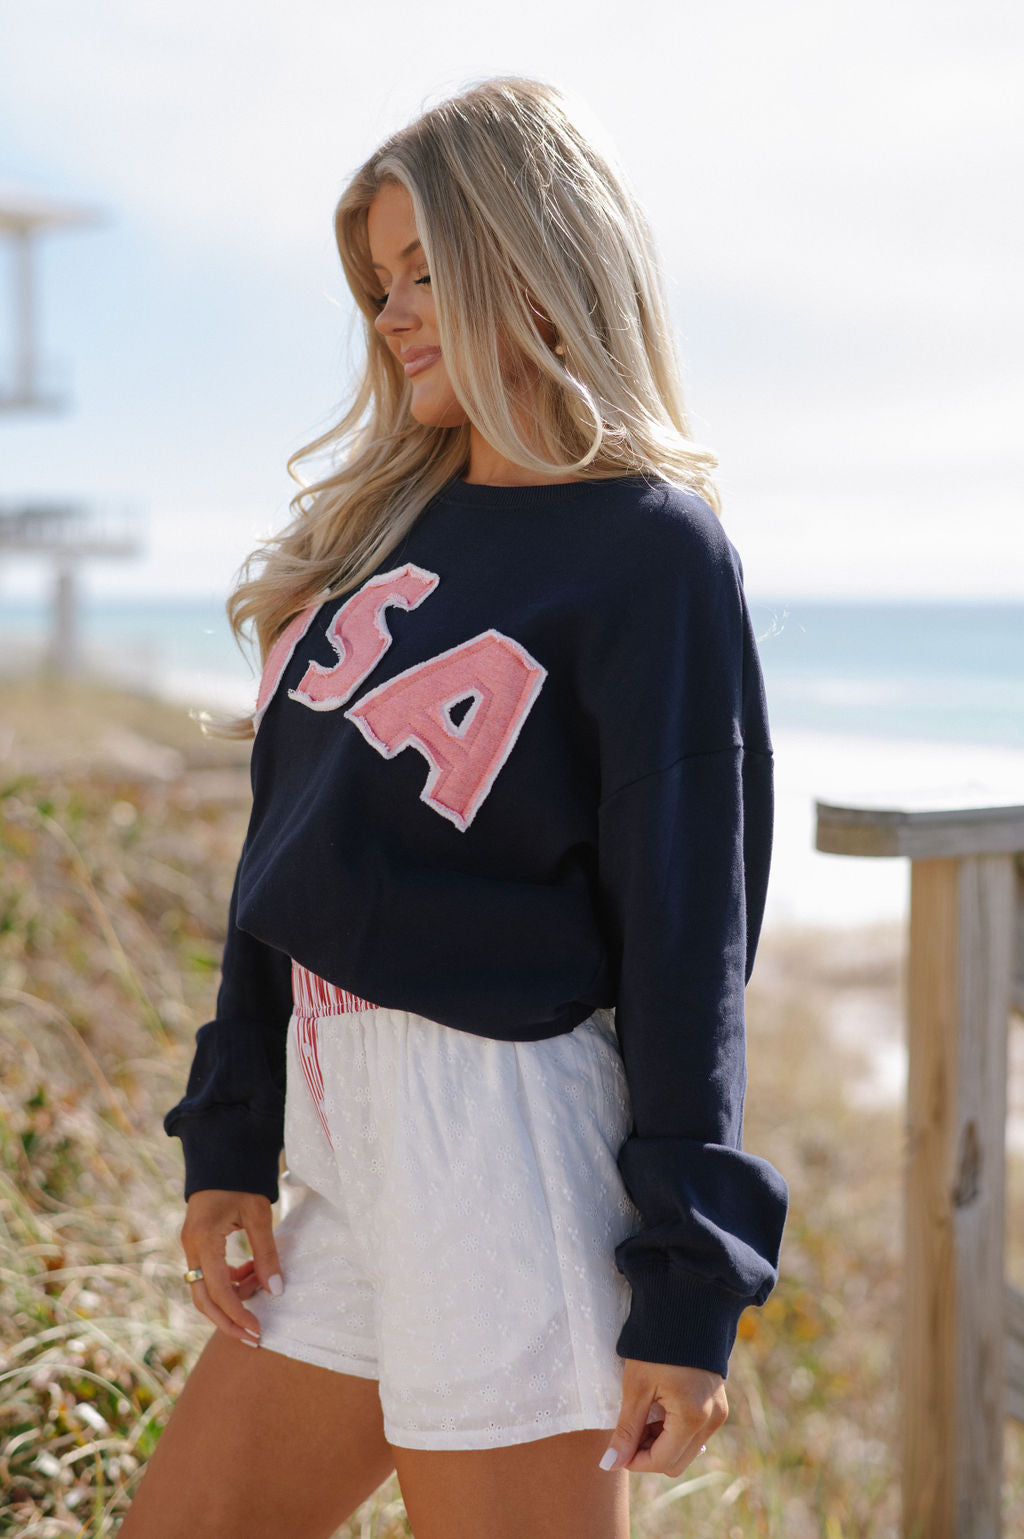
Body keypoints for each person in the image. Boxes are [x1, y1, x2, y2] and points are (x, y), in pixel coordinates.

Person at [120, 76, 788, 1539]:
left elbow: (691, 940)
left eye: (428, 270)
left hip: (496, 1135)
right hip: (341, 1129)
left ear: (536, 261)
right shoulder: (383, 537)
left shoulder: (651, 554)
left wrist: (690, 1280)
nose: (394, 313)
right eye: (378, 282)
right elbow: (277, 861)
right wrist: (232, 1136)